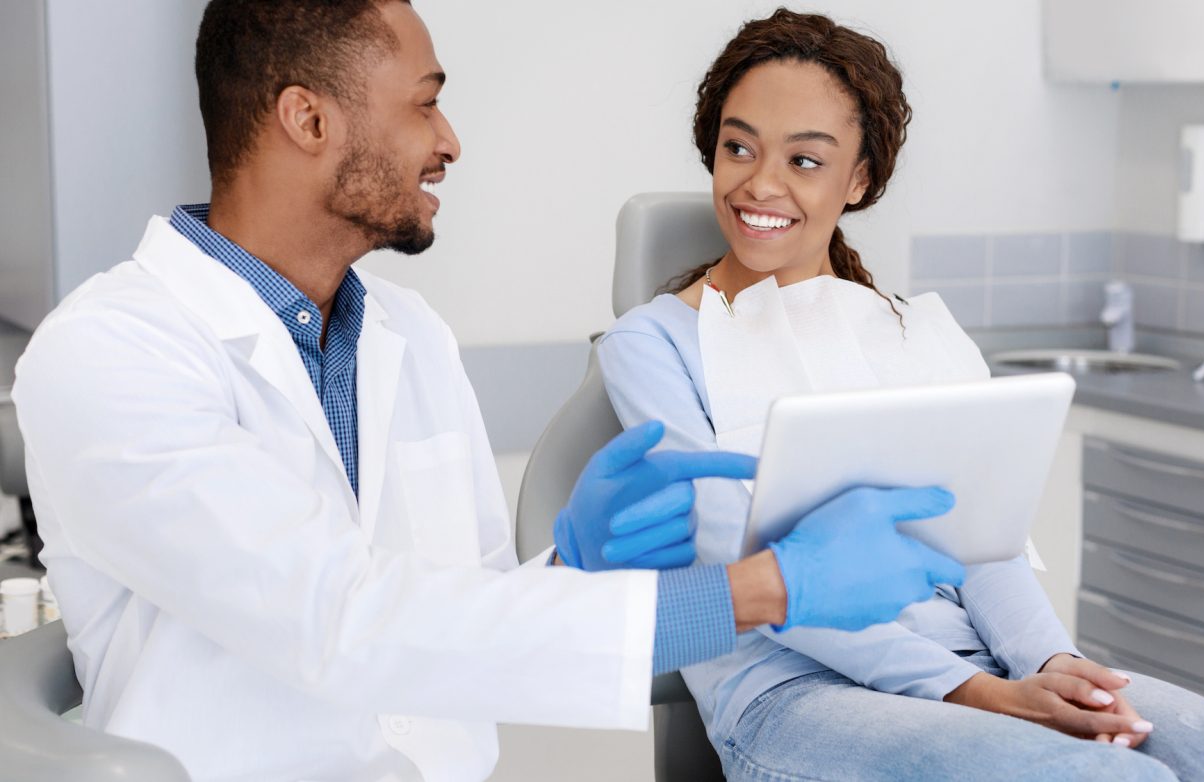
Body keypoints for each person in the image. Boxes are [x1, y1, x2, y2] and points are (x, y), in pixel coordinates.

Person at [10, 2, 967, 780]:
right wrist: (763, 590)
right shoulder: (112, 354)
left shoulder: (410, 337)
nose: (450, 141)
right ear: (309, 120)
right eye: (425, 104)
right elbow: (342, 619)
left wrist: (569, 570)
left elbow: (463, 618)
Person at [595, 9, 1204, 781]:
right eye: (739, 147)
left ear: (859, 179)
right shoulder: (652, 346)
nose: (760, 183)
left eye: (806, 160)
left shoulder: (906, 334)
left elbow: (984, 543)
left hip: (980, 662)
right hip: (792, 694)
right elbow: (746, 572)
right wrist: (982, 695)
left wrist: (1052, 664)